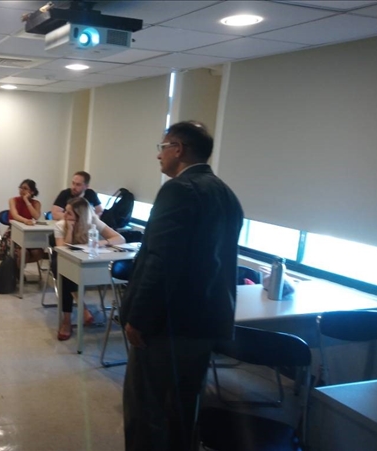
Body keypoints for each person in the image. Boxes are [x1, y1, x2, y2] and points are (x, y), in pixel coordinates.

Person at [120, 121, 244, 451]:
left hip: (168, 326)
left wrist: (138, 318)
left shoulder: (178, 190)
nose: (158, 155)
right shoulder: (226, 194)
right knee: (185, 410)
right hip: (205, 324)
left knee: (147, 411)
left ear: (178, 149)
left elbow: (161, 261)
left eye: (162, 147)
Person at [55, 197, 125, 341]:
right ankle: (68, 320)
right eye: (65, 211)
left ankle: (80, 312)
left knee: (70, 275)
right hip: (63, 261)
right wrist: (70, 230)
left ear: (80, 215)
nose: (65, 215)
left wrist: (101, 243)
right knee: (65, 275)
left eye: (69, 213)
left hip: (87, 261)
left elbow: (120, 239)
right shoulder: (60, 225)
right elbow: (62, 250)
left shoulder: (93, 221)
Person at [0, 179, 44, 268]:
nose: (22, 190)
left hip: (28, 233)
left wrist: (27, 201)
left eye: (25, 188)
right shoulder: (13, 200)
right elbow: (15, 215)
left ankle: (18, 268)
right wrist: (25, 221)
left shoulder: (36, 203)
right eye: (21, 188)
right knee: (23, 252)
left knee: (37, 252)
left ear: (32, 191)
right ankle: (17, 272)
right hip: (13, 232)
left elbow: (36, 216)